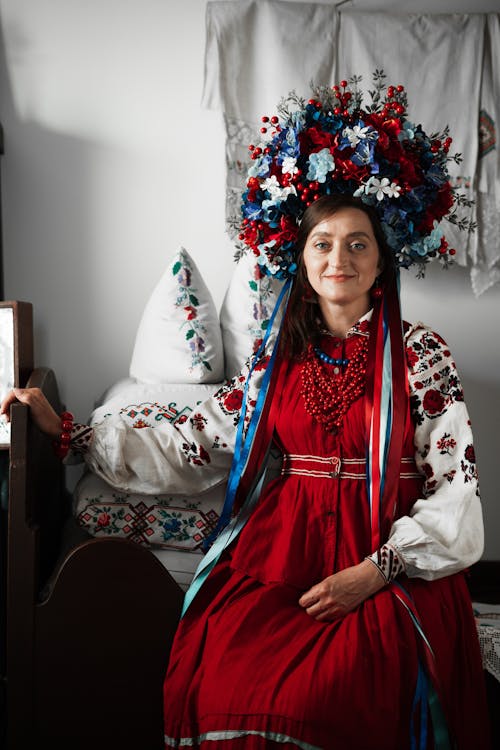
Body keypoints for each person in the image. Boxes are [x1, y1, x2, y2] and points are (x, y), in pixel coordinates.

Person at [0, 78, 491, 749]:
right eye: (323, 245)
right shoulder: (278, 355)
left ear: (382, 264)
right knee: (228, 679)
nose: (338, 258)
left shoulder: (418, 354)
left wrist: (374, 571)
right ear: (303, 261)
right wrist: (76, 434)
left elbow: (455, 493)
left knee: (329, 699)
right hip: (283, 550)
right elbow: (202, 439)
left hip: (382, 559)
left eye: (357, 244)